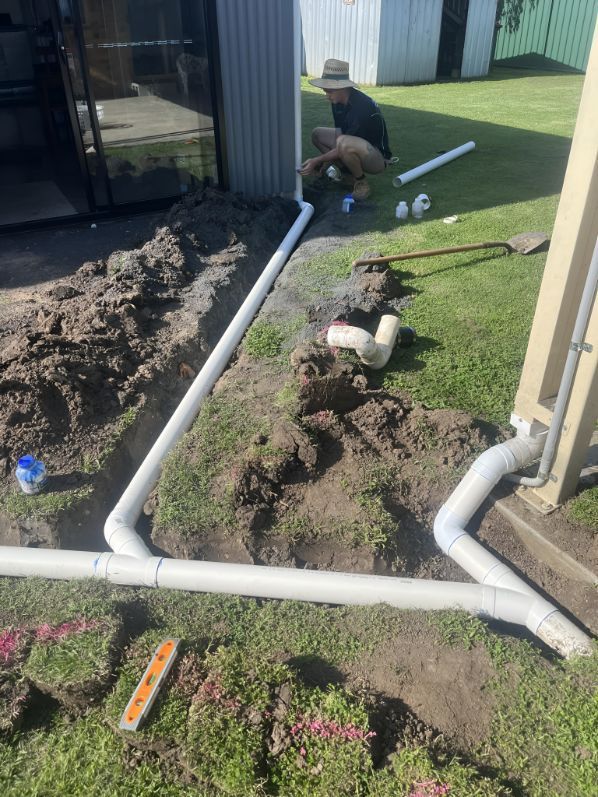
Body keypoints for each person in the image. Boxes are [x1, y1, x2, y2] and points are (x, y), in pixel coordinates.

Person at [299, 58, 392, 200]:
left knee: (344, 142)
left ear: (342, 87)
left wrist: (317, 161)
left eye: (329, 91)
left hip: (377, 158)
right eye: (325, 91)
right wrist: (324, 164)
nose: (327, 96)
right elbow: (339, 136)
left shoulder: (362, 107)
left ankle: (361, 182)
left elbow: (342, 144)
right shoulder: (337, 101)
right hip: (354, 144)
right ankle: (348, 176)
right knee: (317, 134)